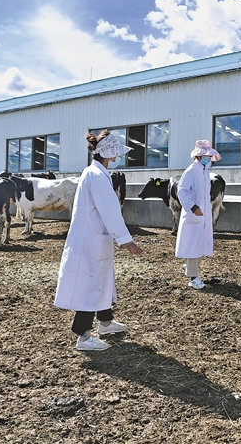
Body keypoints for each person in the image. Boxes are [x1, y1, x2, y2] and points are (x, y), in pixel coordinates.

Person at [54, 131, 143, 351]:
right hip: (91, 242)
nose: (117, 158)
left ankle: (105, 322)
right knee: (90, 284)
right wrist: (126, 240)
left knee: (100, 281)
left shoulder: (93, 172)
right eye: (116, 154)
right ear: (110, 154)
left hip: (93, 238)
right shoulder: (97, 176)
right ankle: (83, 336)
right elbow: (110, 211)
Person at [175, 139, 221, 290]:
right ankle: (193, 278)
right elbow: (181, 191)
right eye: (207, 156)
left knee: (199, 245)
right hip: (194, 214)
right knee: (194, 245)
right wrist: (193, 207)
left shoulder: (204, 171)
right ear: (200, 156)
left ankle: (190, 269)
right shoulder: (191, 171)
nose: (209, 159)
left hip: (203, 215)